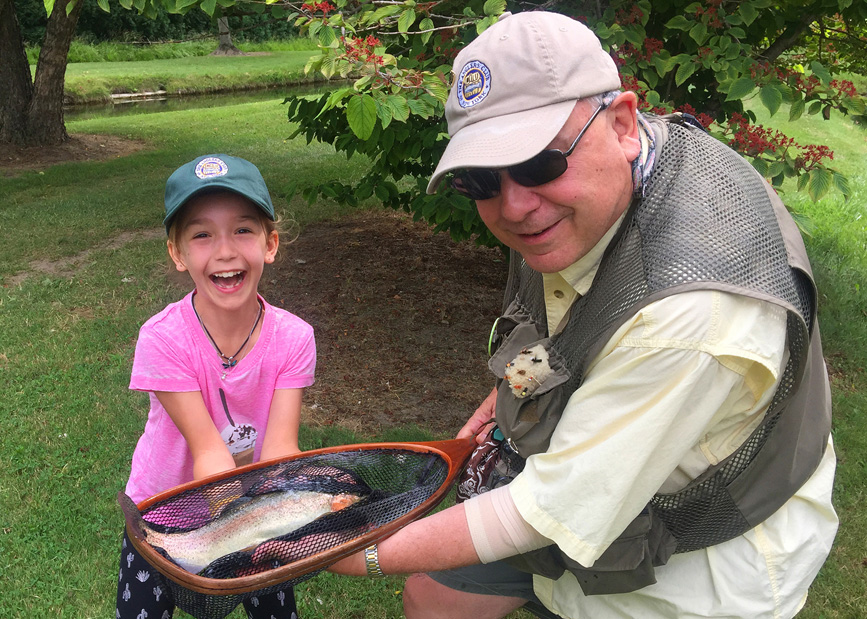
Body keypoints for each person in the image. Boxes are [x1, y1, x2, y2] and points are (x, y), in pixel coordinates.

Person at [316, 10, 838, 619]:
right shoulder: (600, 190)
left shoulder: (691, 313)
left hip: (691, 577)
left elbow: (546, 509)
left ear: (620, 124)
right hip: (587, 469)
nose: (514, 205)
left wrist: (362, 552)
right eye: (481, 179)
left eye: (540, 162)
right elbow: (568, 327)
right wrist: (509, 395)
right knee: (433, 596)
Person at [116, 154, 315, 619]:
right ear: (178, 254)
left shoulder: (294, 337)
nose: (225, 251)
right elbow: (208, 450)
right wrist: (232, 527)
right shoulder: (162, 338)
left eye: (243, 230)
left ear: (271, 244)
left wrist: (270, 522)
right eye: (202, 234)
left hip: (253, 507)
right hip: (163, 511)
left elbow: (280, 447)